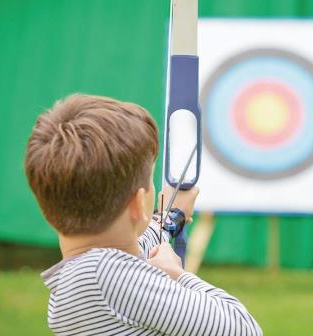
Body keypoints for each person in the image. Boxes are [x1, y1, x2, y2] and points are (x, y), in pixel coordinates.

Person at [25, 94, 262, 335]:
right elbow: (243, 329)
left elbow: (135, 248)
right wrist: (177, 275)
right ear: (139, 202)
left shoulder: (80, 276)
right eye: (150, 181)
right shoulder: (104, 276)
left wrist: (172, 217)